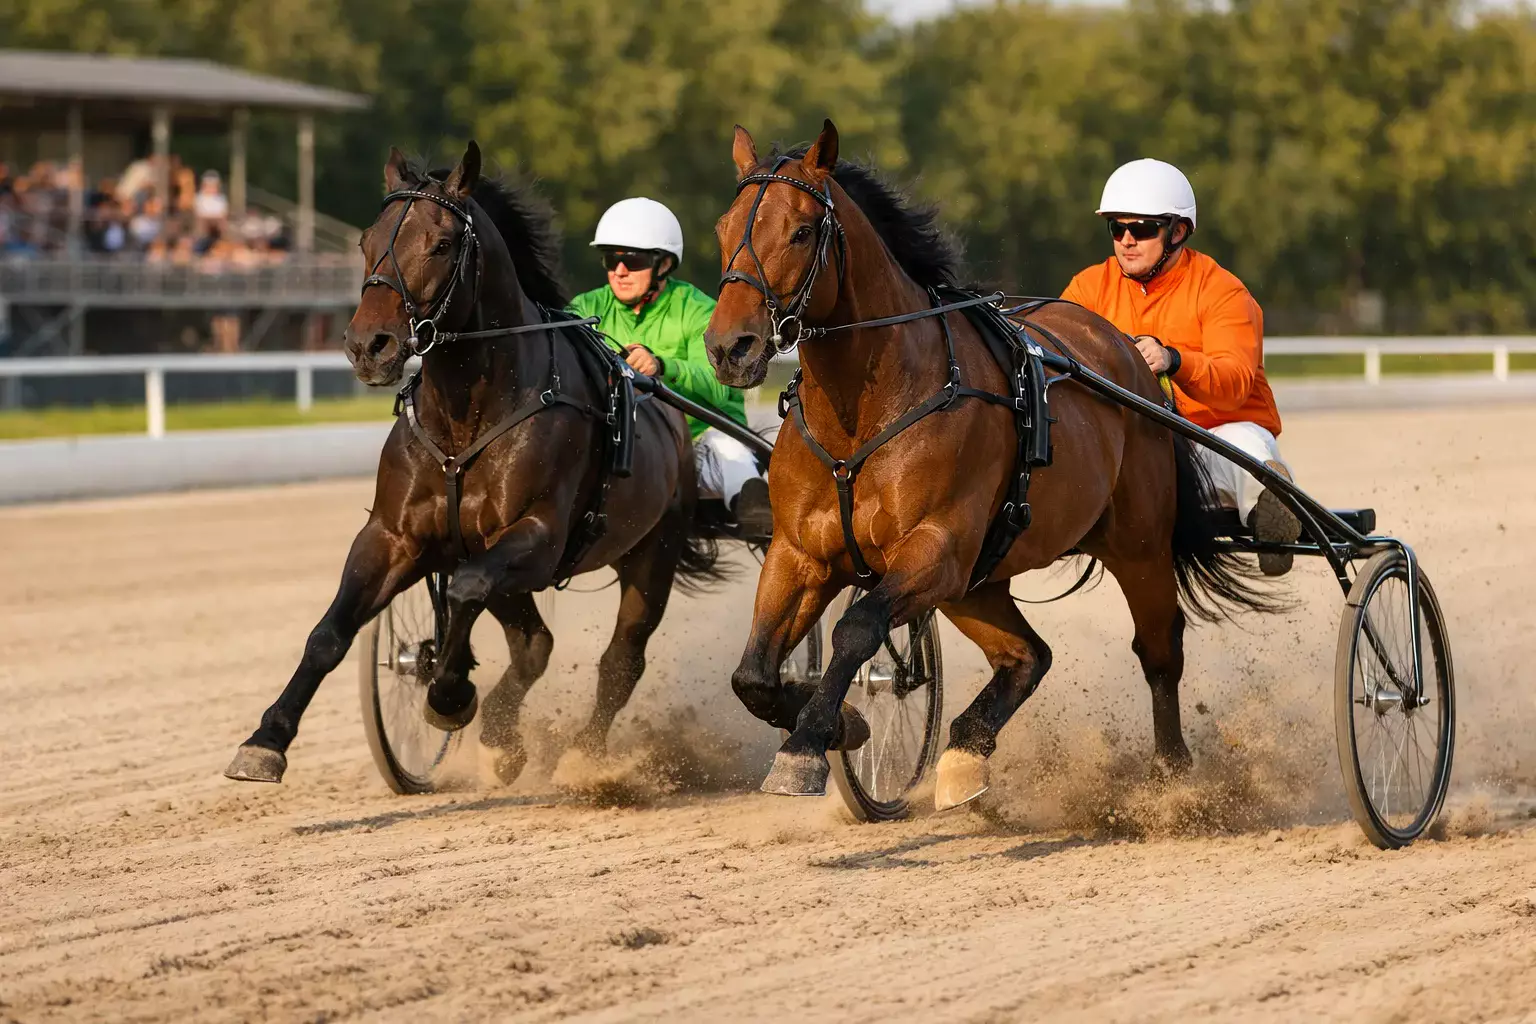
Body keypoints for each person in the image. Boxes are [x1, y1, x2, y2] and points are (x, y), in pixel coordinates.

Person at [1062, 158, 1301, 575]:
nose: (1126, 241)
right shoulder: (1087, 289)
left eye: (1142, 229)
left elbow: (1233, 386)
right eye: (1117, 228)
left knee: (1242, 449)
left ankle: (1269, 498)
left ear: (1177, 232)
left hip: (1213, 432)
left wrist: (1173, 360)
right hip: (1133, 448)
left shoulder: (1223, 291)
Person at [568, 197, 772, 537]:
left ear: (663, 264)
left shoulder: (697, 309)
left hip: (699, 441)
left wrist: (663, 366)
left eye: (632, 260)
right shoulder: (586, 307)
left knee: (728, 450)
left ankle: (754, 507)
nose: (619, 270)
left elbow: (722, 384)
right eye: (611, 259)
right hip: (627, 445)